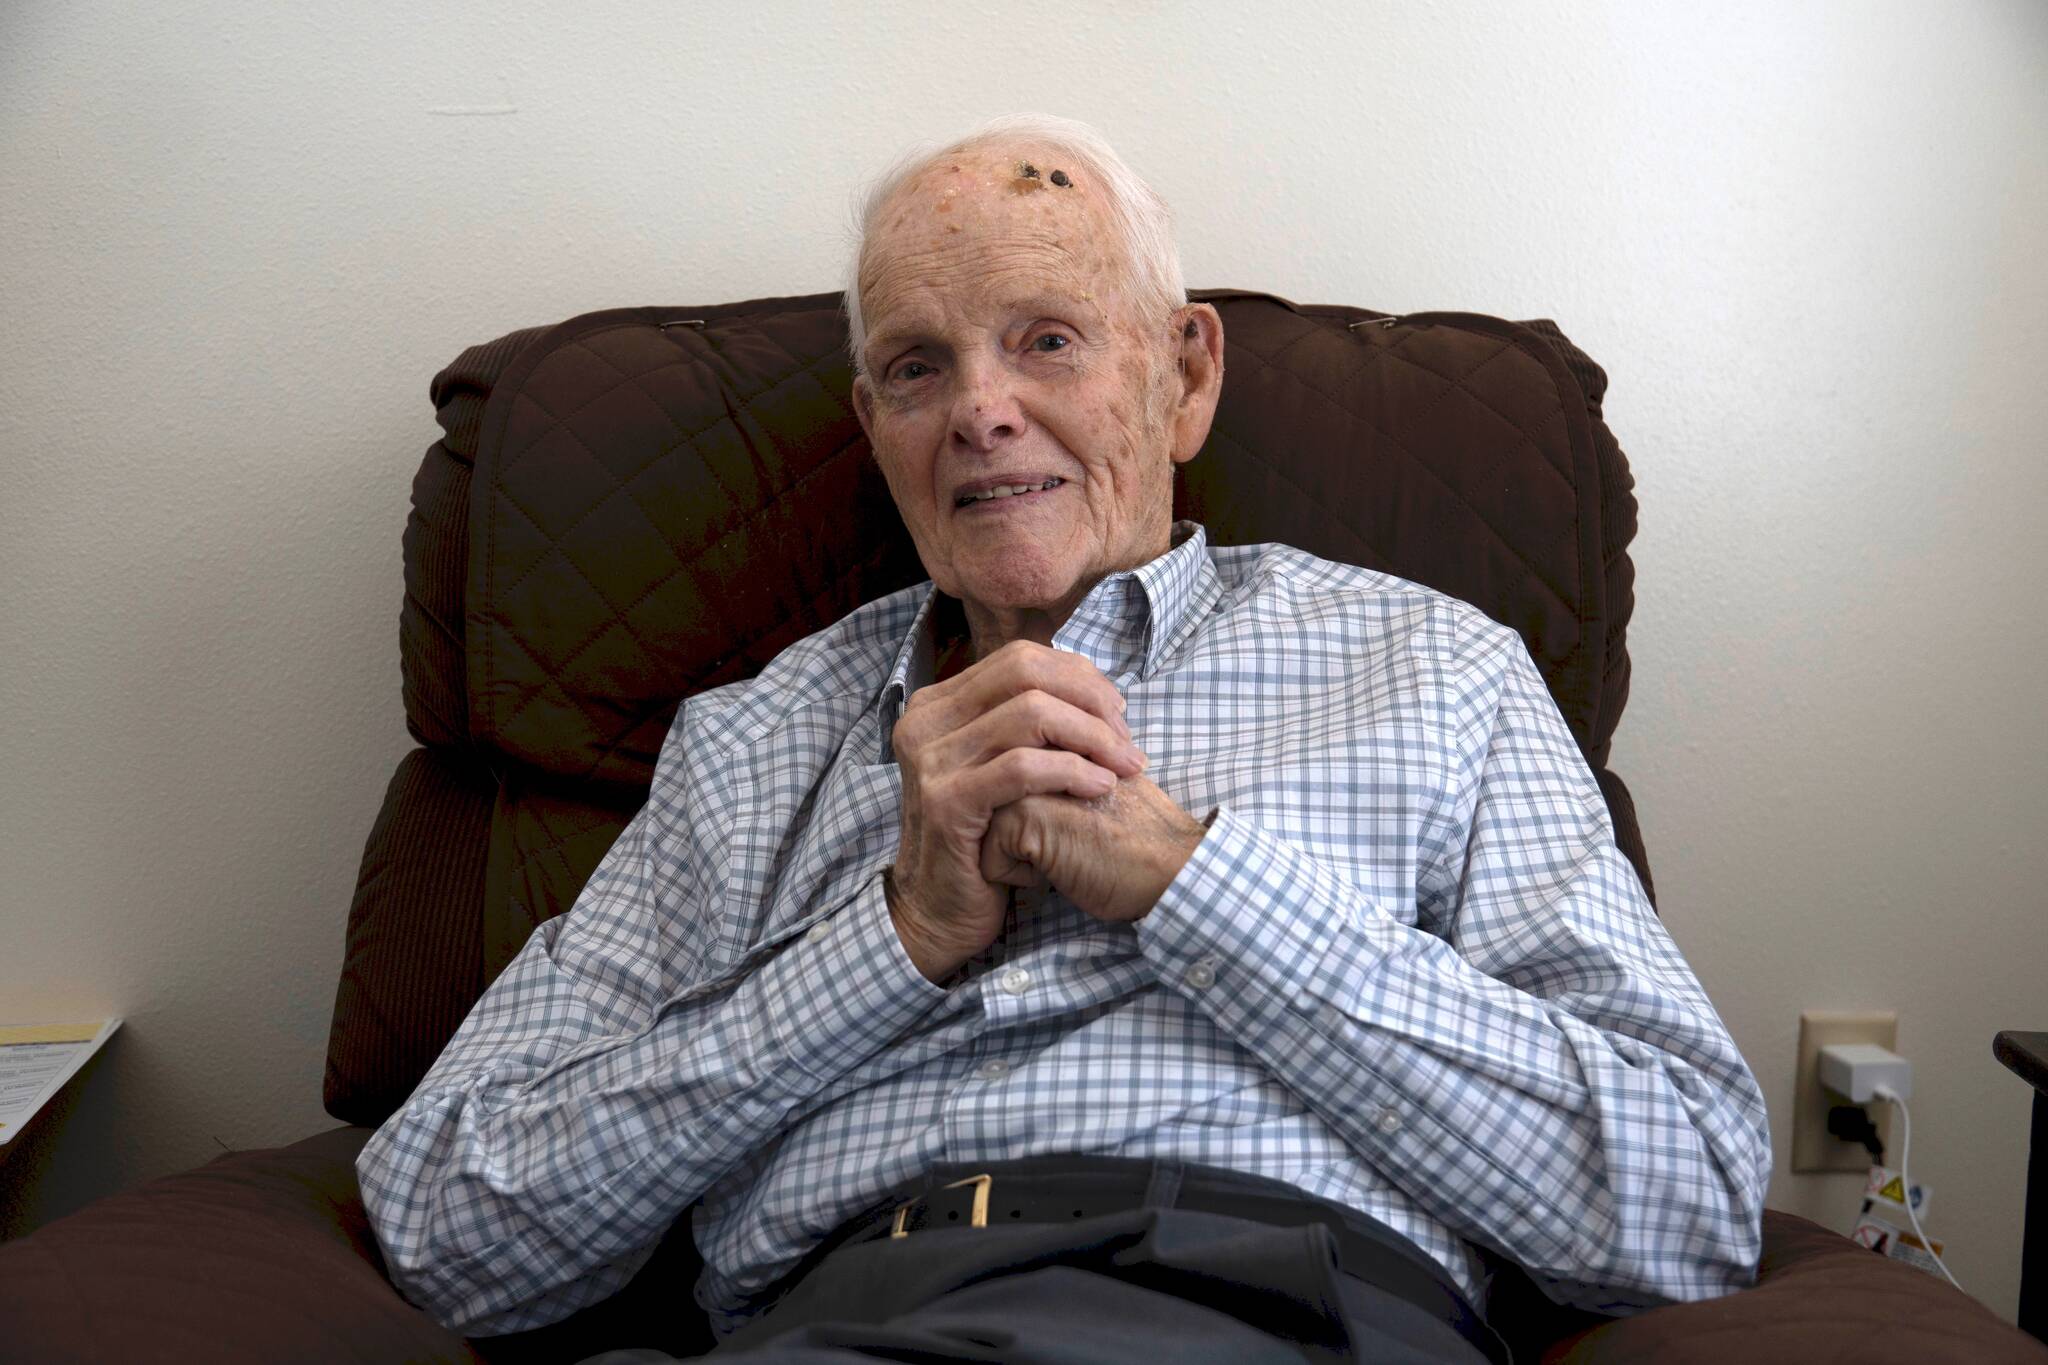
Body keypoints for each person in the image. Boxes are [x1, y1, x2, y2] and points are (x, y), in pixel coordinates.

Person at [357, 114, 1772, 1364]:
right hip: (847, 1317)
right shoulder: (750, 745)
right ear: (874, 423)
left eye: (1047, 339)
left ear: (1185, 373)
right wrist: (893, 939)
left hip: (1296, 1308)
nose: (980, 409)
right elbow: (443, 1221)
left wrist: (1189, 882)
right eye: (918, 367)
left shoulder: (1434, 667)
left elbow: (1689, 1199)